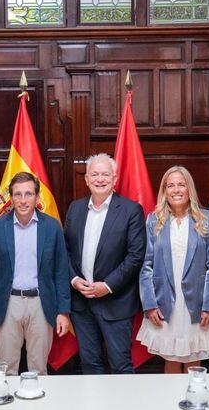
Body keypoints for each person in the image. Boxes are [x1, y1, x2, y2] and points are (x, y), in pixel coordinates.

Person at [0, 172, 70, 375]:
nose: (23, 200)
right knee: (7, 369)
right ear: (10, 198)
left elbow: (61, 271)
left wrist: (63, 311)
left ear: (37, 197)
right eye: (18, 194)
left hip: (41, 303)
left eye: (28, 194)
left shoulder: (52, 227)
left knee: (38, 369)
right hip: (8, 303)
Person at [63, 153, 146, 374]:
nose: (100, 179)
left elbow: (135, 256)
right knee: (90, 364)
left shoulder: (131, 210)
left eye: (105, 174)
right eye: (95, 174)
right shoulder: (75, 209)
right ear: (87, 179)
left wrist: (106, 286)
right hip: (81, 303)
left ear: (114, 178)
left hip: (115, 302)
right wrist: (73, 280)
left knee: (120, 365)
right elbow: (66, 250)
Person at [137, 166, 209, 373]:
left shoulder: (206, 219)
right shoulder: (153, 221)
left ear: (189, 188)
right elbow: (145, 266)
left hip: (196, 305)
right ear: (164, 191)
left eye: (181, 184)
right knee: (171, 360)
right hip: (165, 303)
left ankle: (193, 402)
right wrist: (149, 304)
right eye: (170, 185)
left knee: (194, 362)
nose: (176, 190)